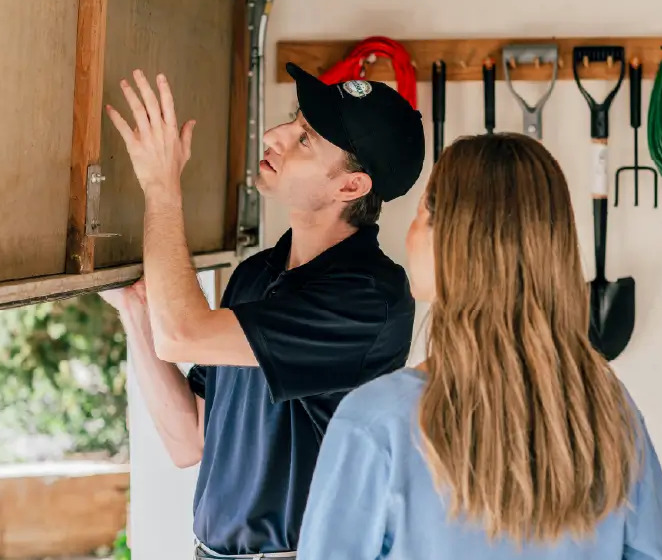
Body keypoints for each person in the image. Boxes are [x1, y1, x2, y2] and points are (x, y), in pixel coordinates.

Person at [295, 133, 662, 559]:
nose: (412, 231)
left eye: (423, 212)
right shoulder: (608, 412)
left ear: (453, 241)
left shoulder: (375, 423)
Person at [99, 63, 426, 559]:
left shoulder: (366, 297)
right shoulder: (256, 276)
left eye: (306, 140)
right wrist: (134, 311)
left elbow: (182, 333)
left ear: (351, 188)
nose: (275, 136)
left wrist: (162, 187)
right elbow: (190, 439)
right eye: (294, 122)